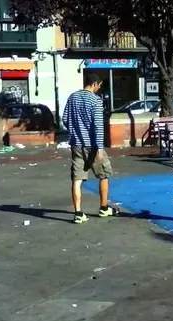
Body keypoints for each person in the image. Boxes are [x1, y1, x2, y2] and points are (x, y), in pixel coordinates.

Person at [63, 73, 118, 224]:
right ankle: (104, 207)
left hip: (76, 144)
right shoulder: (95, 100)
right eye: (99, 85)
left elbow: (65, 119)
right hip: (92, 145)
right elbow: (98, 127)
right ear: (95, 84)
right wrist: (99, 148)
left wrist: (74, 131)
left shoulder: (72, 97)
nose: (99, 88)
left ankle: (78, 213)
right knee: (103, 174)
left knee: (77, 178)